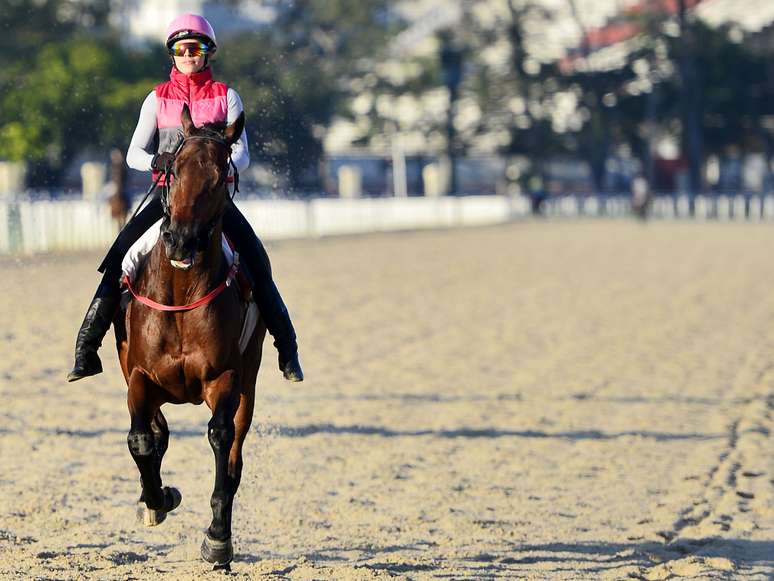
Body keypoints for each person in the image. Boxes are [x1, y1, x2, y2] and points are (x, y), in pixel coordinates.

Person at [67, 14, 304, 383]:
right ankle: (87, 347)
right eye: (182, 49)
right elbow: (133, 153)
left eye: (197, 48)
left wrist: (218, 162)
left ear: (208, 53)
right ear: (172, 54)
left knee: (257, 262)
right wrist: (157, 160)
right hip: (166, 198)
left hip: (214, 201)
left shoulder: (228, 96)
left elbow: (243, 153)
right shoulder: (156, 98)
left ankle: (286, 348)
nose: (189, 55)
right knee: (119, 259)